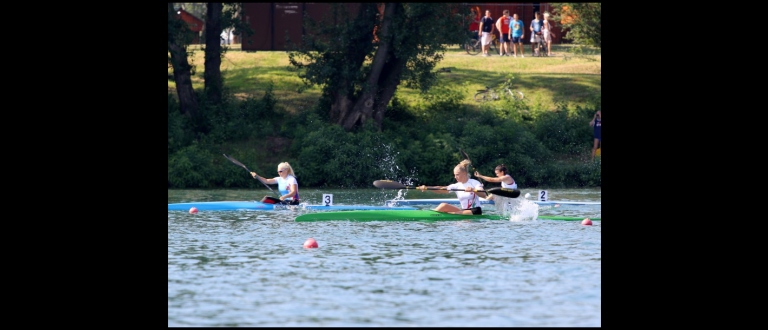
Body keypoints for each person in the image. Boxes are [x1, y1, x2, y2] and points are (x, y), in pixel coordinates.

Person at [417, 159, 486, 215]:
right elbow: (441, 189)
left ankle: (431, 215)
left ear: (464, 173)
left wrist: (473, 189)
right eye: (454, 175)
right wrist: (426, 187)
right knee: (443, 205)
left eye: (457, 174)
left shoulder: (474, 182)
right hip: (464, 211)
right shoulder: (456, 185)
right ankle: (431, 214)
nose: (455, 177)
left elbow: (483, 194)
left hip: (475, 211)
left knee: (452, 216)